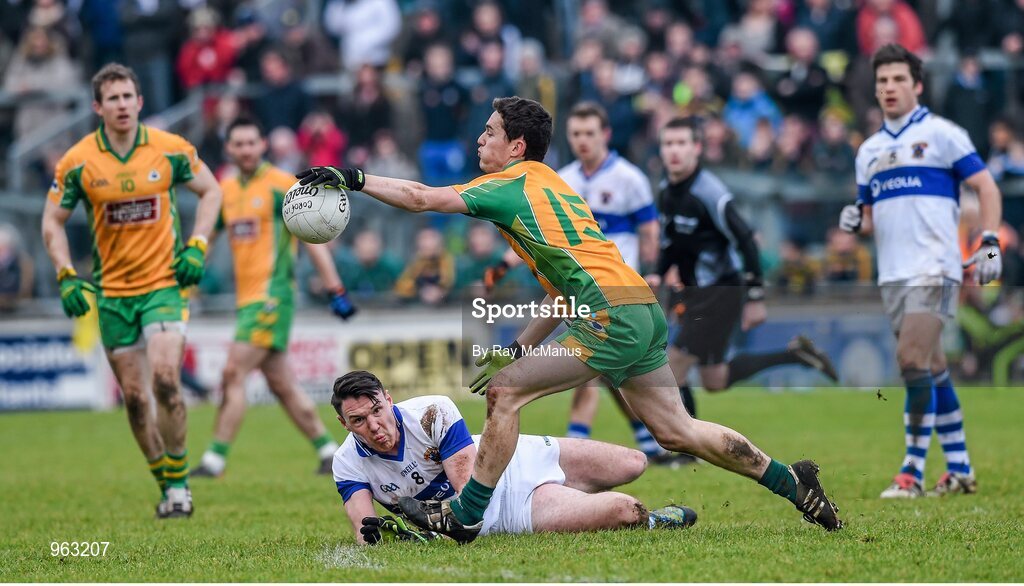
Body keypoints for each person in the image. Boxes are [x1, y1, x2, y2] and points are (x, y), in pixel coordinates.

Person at [296, 96, 843, 543]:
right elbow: (560, 294)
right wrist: (514, 349)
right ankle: (792, 482)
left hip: (611, 313)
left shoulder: (507, 184)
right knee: (679, 431)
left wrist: (352, 176)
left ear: (517, 146)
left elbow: (420, 197)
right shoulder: (551, 184)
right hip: (640, 310)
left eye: (490, 132)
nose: (479, 140)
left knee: (505, 394)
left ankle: (465, 516)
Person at [40, 63, 223, 518]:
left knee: (165, 380)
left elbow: (212, 191)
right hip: (113, 294)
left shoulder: (170, 149)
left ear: (140, 102)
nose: (122, 105)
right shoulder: (78, 161)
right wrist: (65, 273)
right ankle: (166, 482)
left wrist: (198, 246)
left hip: (164, 284)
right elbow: (52, 222)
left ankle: (180, 487)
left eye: (128, 97)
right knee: (136, 399)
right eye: (113, 99)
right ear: (97, 107)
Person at [839, 43, 1003, 498]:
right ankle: (961, 467)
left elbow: (986, 187)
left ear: (917, 85)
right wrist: (856, 221)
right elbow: (869, 218)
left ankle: (910, 472)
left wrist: (988, 243)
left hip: (935, 269)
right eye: (882, 81)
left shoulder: (942, 134)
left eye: (897, 79)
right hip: (893, 274)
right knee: (930, 366)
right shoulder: (868, 151)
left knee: (911, 361)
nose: (889, 88)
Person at [488, 102, 680, 465]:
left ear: (605, 135)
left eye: (590, 133)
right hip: (579, 287)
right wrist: (504, 263)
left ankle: (578, 447)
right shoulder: (562, 177)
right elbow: (541, 233)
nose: (582, 141)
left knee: (597, 371)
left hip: (621, 288)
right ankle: (653, 440)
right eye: (575, 134)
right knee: (605, 373)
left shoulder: (629, 178)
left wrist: (655, 270)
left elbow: (649, 232)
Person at [330, 370, 697, 544]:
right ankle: (651, 522)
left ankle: (578, 498)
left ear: (388, 399)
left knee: (635, 462)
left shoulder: (431, 411)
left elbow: (466, 493)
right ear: (343, 424)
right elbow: (368, 534)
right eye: (358, 420)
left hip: (513, 458)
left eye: (377, 409)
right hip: (508, 507)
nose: (374, 425)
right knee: (625, 510)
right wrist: (393, 539)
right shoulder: (348, 463)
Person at [192, 117, 357, 479]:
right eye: (239, 144)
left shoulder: (283, 186)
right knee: (281, 383)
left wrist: (335, 288)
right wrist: (186, 280)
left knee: (233, 371)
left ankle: (214, 460)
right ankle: (328, 451)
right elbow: (208, 237)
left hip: (272, 297)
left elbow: (314, 238)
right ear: (229, 149)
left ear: (263, 145)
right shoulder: (226, 190)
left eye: (252, 142)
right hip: (246, 300)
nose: (246, 149)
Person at [649, 116, 837, 416]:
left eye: (682, 143)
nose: (674, 150)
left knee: (673, 369)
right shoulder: (666, 191)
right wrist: (658, 271)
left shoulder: (711, 193)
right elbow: (671, 242)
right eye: (668, 143)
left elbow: (748, 242)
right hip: (696, 293)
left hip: (719, 291)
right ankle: (795, 355)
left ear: (697, 148)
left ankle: (686, 450)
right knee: (715, 379)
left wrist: (755, 298)